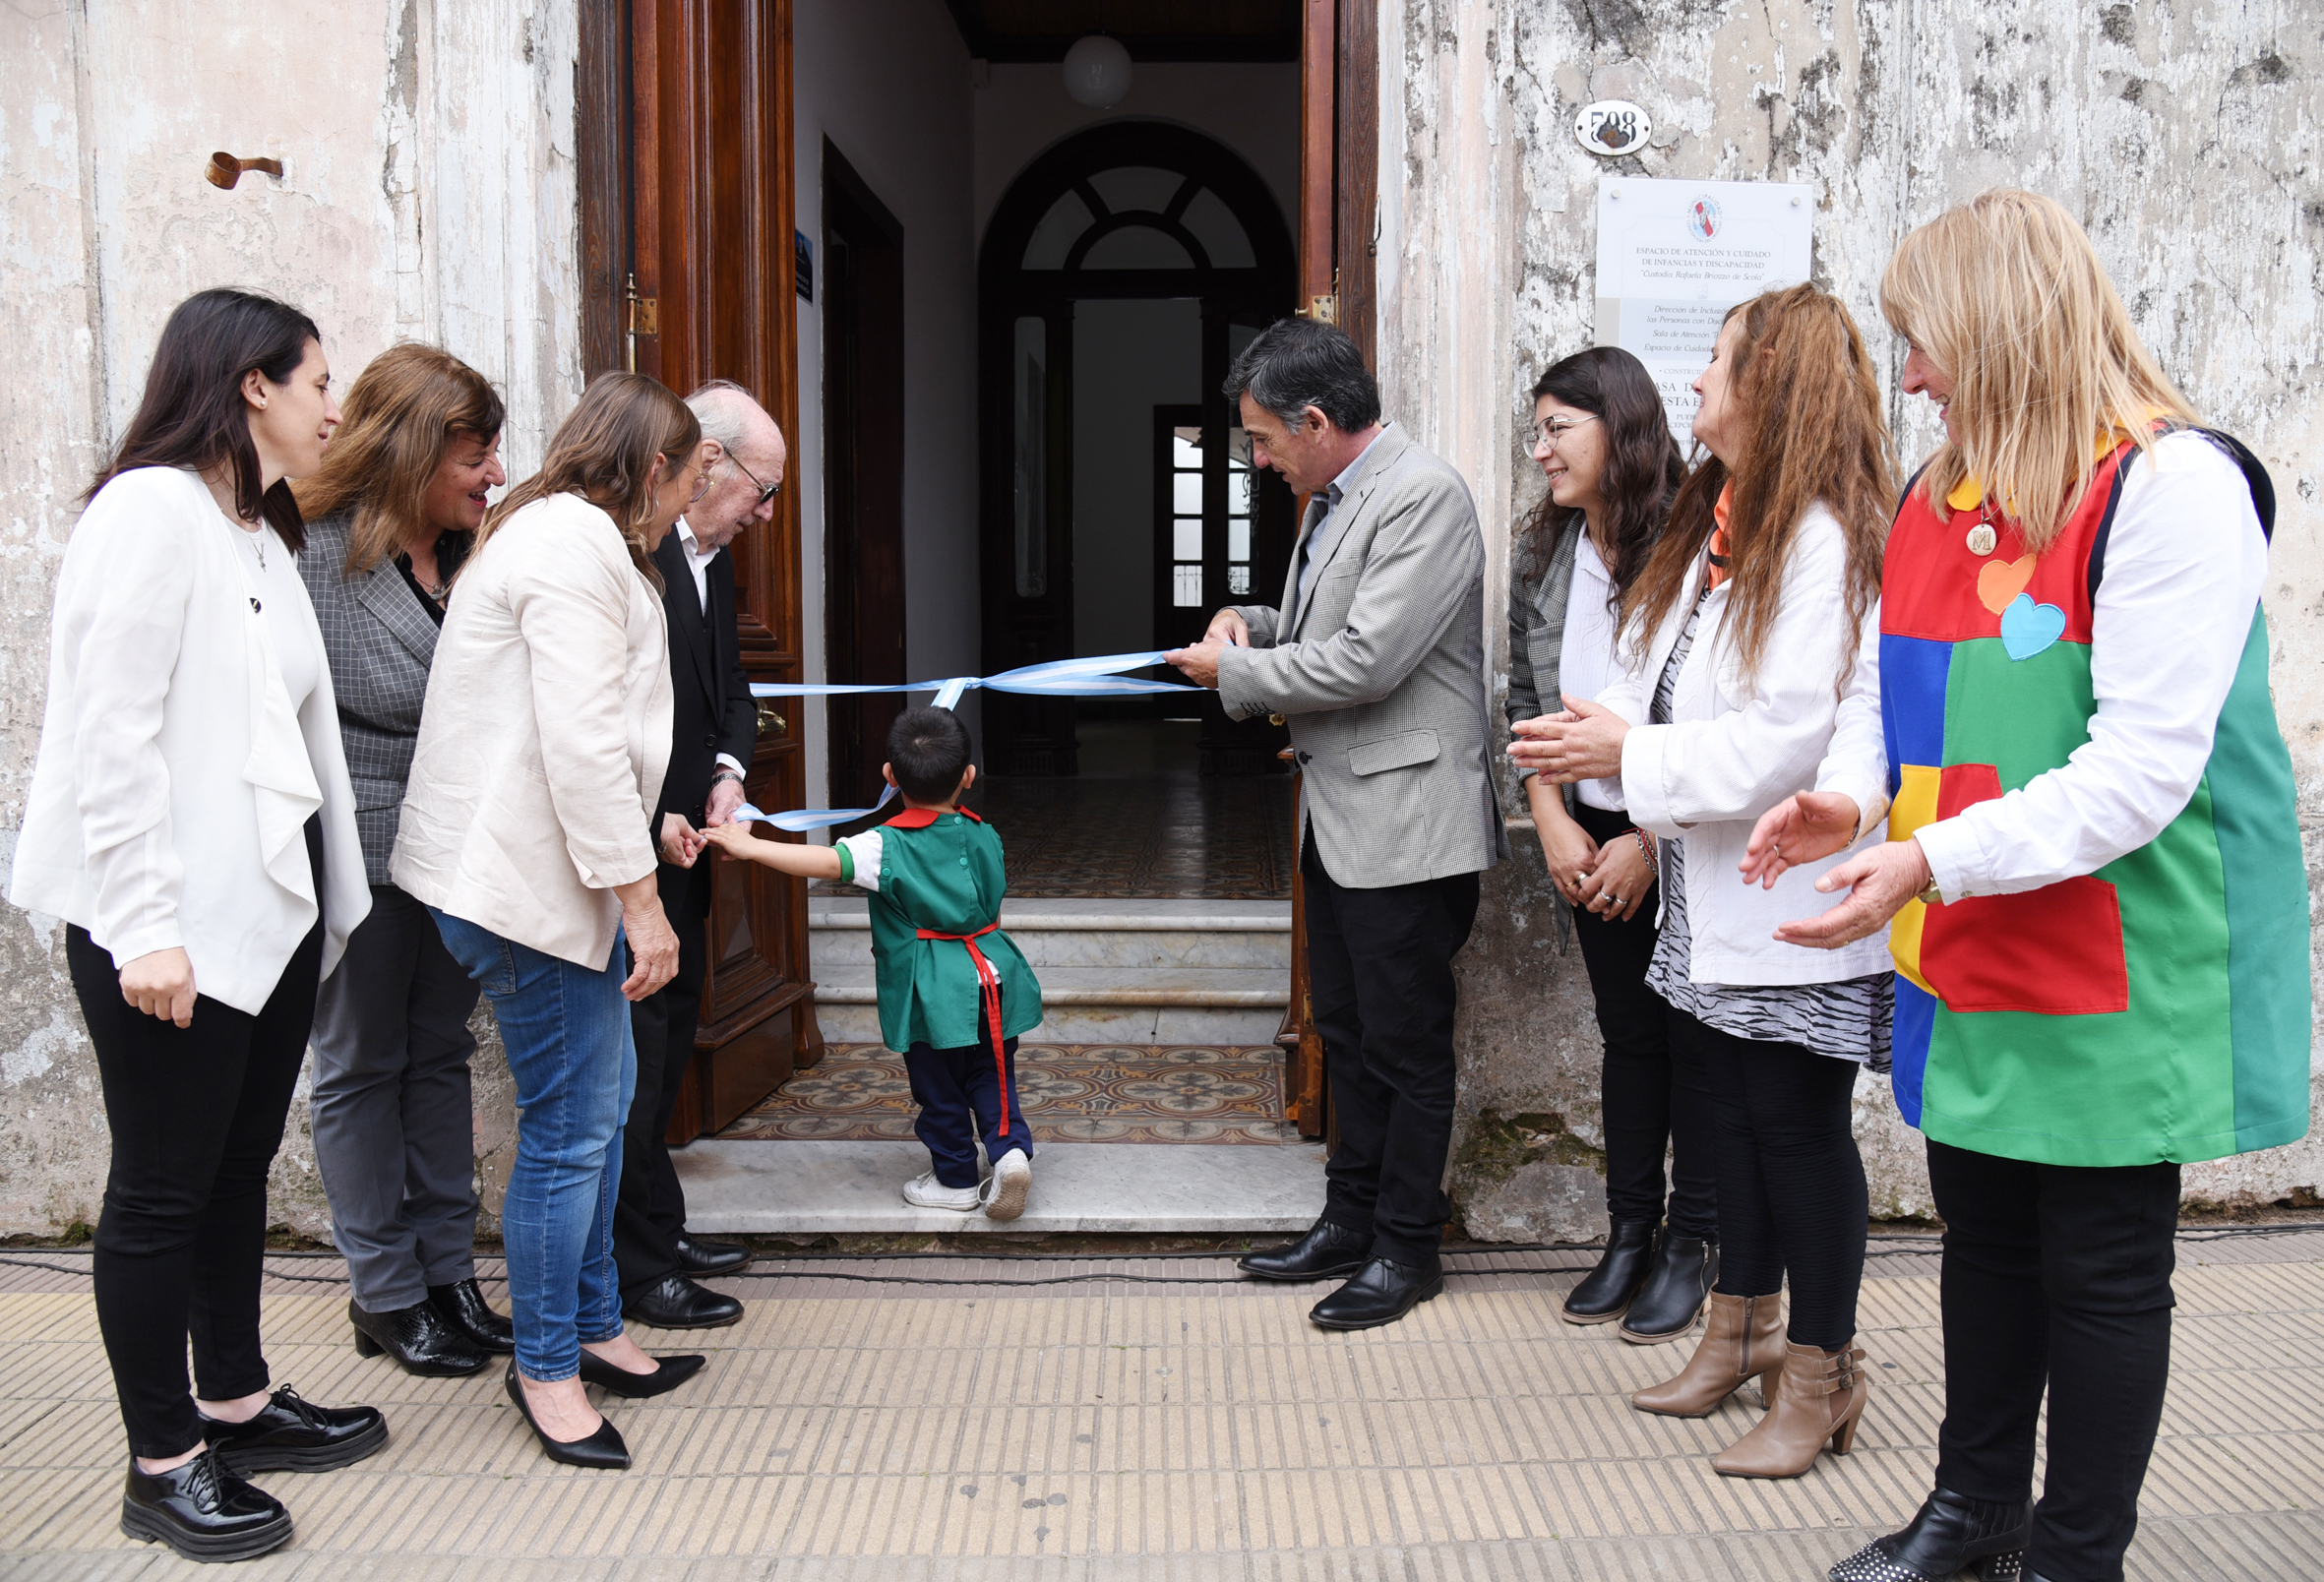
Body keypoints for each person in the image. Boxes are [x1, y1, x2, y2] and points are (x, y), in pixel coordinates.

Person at [1743, 192, 2311, 1582]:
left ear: (1999, 329)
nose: (1910, 376)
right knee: (1982, 1244)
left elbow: (2136, 773)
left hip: (2118, 940)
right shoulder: (1943, 493)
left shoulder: (2171, 488)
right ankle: (1973, 1513)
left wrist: (1922, 857)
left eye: (1921, 342)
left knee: (2104, 1269)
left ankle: (2075, 1553)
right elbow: (1899, 689)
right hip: (1974, 932)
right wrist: (1856, 795)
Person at [9, 288, 386, 1562]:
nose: (337, 405)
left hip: (259, 920)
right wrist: (143, 927)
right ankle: (162, 1466)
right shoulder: (148, 514)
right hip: (167, 929)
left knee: (232, 1172)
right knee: (161, 1192)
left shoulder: (257, 532)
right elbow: (109, 737)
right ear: (250, 387)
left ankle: (231, 1397)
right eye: (320, 379)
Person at [1512, 283, 1896, 1477]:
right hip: (1712, 891)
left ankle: (1823, 1373)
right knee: (1727, 1126)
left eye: (1716, 367)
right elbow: (1657, 669)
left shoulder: (1820, 533)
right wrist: (1596, 732)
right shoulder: (1725, 517)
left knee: (1794, 1137)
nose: (1695, 388)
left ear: (1769, 387)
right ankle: (1741, 1330)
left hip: (1789, 897)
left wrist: (1627, 757)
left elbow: (1786, 734)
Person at [394, 372, 704, 1471]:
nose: (693, 495)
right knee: (573, 1128)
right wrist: (640, 903)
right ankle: (548, 1370)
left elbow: (582, 737)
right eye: (695, 469)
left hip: (542, 871)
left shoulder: (556, 533)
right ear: (654, 467)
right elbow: (575, 741)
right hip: (526, 890)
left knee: (599, 1107)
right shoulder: (572, 542)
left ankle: (593, 1326)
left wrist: (645, 831)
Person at [1169, 317, 1505, 1331]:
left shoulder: (1421, 496)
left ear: (1316, 422)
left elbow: (1366, 662)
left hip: (1407, 825)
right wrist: (1249, 621)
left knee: (1405, 1046)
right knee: (1347, 1035)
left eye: (1264, 440)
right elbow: (1327, 631)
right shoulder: (1339, 497)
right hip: (1346, 817)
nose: (1259, 460)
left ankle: (1408, 1248)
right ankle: (1348, 1221)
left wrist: (1232, 675)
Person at [293, 344, 513, 1376]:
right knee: (358, 1068)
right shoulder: (312, 553)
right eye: (475, 458)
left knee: (438, 1058)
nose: (494, 477)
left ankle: (448, 1275)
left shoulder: (475, 561)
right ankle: (384, 1293)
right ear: (416, 450)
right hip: (361, 854)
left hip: (455, 855)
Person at [1505, 346, 1711, 1343]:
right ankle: (1628, 1232)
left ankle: (1693, 1241)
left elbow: (1710, 707)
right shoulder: (1543, 553)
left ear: (1617, 428)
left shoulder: (1691, 540)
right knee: (1629, 1039)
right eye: (1535, 430)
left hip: (1680, 826)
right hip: (1583, 825)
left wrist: (1645, 836)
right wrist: (1550, 814)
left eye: (1558, 428)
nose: (1540, 450)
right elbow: (1523, 699)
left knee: (1697, 1041)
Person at [703, 706, 1045, 1219]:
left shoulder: (883, 846)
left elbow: (819, 862)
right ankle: (1009, 1153)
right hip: (994, 978)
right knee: (992, 1071)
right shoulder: (985, 833)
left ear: (889, 775)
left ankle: (954, 1179)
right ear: (969, 778)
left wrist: (749, 846)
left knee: (938, 1085)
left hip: (931, 989)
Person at [613, 379, 786, 1332]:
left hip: (691, 846)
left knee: (670, 1044)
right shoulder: (634, 554)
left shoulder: (712, 556)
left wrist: (728, 767)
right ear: (708, 460)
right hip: (635, 853)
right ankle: (637, 1270)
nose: (765, 514)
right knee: (630, 1067)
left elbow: (728, 685)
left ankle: (660, 1228)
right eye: (762, 490)